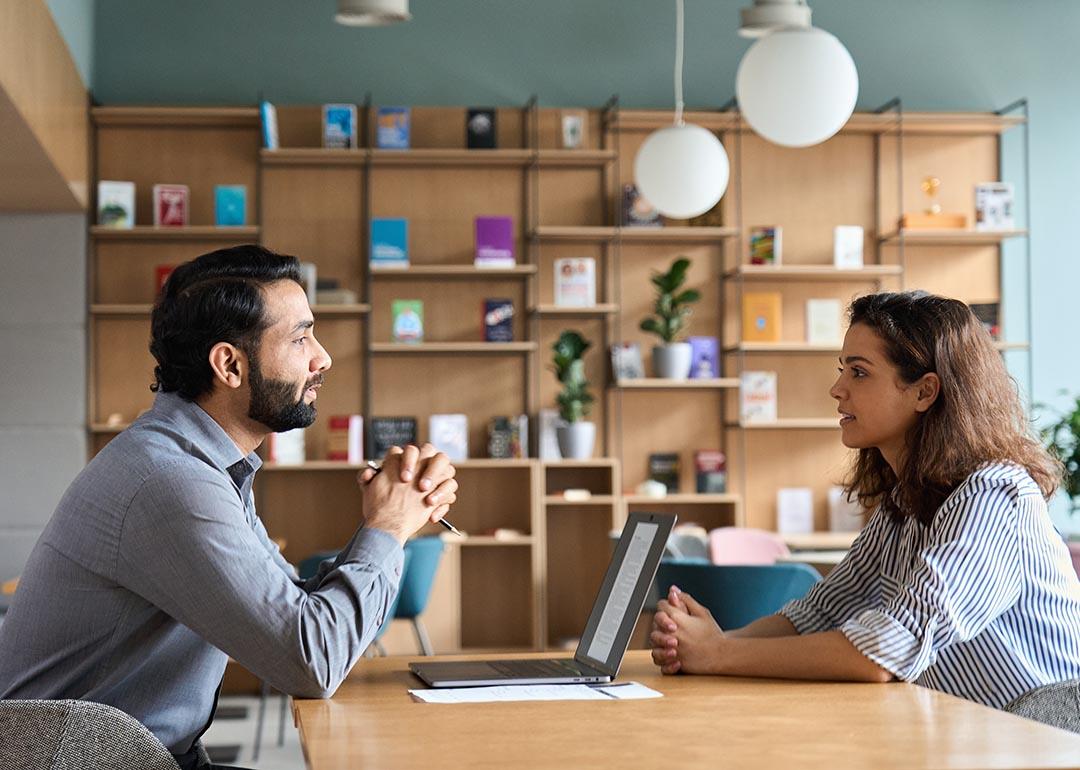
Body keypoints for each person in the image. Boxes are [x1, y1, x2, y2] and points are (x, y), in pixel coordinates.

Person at [0, 245, 458, 770]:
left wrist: (385, 522)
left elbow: (294, 614)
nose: (322, 357)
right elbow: (312, 662)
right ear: (230, 365)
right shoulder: (170, 482)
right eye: (301, 337)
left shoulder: (204, 465)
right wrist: (388, 526)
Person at [651, 290, 1080, 709]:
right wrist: (711, 642)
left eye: (858, 372)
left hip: (1038, 741)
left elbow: (886, 650)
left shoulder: (995, 495)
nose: (837, 389)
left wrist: (717, 655)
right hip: (968, 740)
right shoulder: (906, 502)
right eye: (843, 370)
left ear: (924, 392)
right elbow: (819, 613)